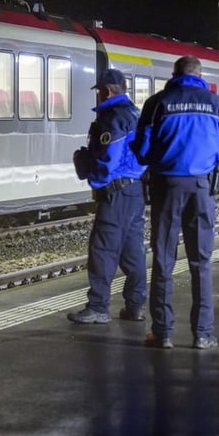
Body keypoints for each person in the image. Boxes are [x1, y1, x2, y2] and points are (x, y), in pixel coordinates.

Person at [131, 56, 219, 349]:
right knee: (201, 261)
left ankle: (162, 332)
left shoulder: (156, 103)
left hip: (165, 187)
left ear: (174, 74)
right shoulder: (215, 104)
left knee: (164, 259)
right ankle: (203, 334)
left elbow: (141, 151)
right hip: (202, 189)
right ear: (200, 75)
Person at [67, 68, 148, 324]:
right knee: (132, 250)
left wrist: (95, 178)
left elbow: (108, 159)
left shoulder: (113, 118)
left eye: (100, 91)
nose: (98, 96)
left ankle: (98, 307)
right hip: (135, 191)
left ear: (107, 92)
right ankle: (135, 305)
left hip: (115, 193)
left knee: (102, 249)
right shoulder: (136, 113)